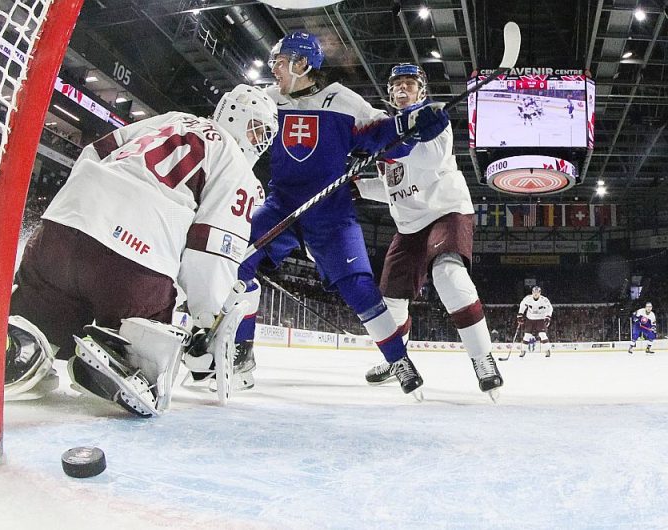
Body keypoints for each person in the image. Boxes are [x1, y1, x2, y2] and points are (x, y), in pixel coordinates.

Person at [3, 84, 278, 415]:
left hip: (59, 232)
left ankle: (23, 342)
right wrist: (208, 317)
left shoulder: (171, 119)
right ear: (234, 113)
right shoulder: (234, 164)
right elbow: (211, 250)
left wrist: (81, 211)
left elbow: (95, 151)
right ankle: (121, 354)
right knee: (152, 350)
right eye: (257, 127)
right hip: (132, 257)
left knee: (44, 305)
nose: (260, 139)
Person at [233, 32, 421, 395]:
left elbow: (387, 138)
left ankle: (399, 359)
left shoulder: (343, 101)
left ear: (303, 64)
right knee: (234, 257)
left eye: (280, 60)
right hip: (281, 204)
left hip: (330, 211)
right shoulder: (268, 100)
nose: (273, 67)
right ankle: (241, 351)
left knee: (359, 287)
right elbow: (235, 138)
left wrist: (411, 126)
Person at [354, 63, 503, 396]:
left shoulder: (434, 118)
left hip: (446, 211)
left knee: (448, 275)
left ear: (421, 91)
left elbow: (430, 162)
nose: (402, 89)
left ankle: (483, 359)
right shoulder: (386, 129)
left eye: (410, 84)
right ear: (389, 93)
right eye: (397, 85)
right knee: (390, 302)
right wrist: (360, 188)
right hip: (409, 226)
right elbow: (394, 184)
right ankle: (397, 360)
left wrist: (392, 142)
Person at [516, 286, 553, 357]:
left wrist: (548, 317)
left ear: (540, 293)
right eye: (534, 292)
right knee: (527, 335)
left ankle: (547, 350)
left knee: (542, 335)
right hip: (530, 318)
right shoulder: (527, 299)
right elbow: (522, 306)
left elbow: (550, 308)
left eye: (537, 292)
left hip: (541, 318)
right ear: (532, 292)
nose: (535, 294)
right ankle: (523, 350)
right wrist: (520, 315)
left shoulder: (544, 300)